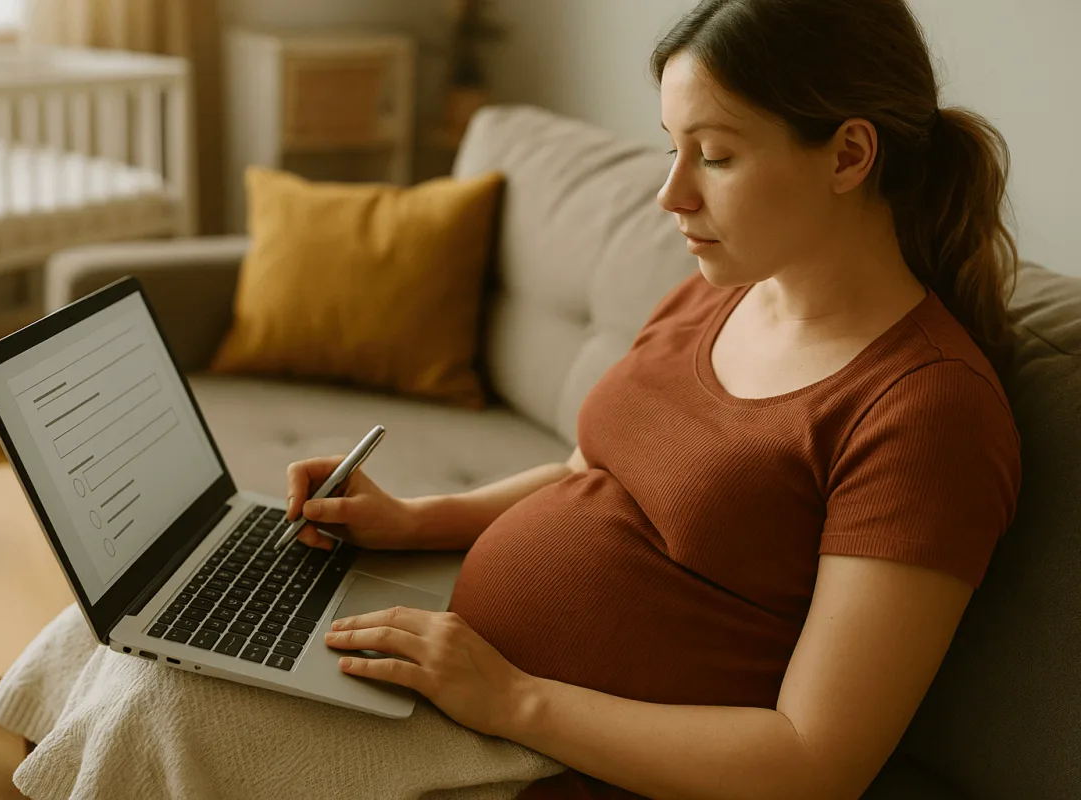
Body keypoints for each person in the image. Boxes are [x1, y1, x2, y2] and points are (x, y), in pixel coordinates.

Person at [286, 0, 1022, 797]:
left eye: (713, 156)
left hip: (554, 763)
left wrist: (511, 699)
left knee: (170, 709)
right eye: (672, 148)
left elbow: (816, 761)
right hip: (467, 702)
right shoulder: (719, 294)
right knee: (159, 668)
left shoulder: (927, 413)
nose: (671, 194)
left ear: (848, 155)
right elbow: (585, 475)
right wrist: (415, 520)